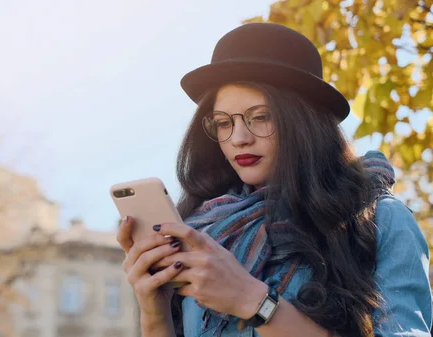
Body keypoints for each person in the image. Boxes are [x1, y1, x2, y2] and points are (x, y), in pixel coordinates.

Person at [116, 23, 432, 337]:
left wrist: (254, 302)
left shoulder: (379, 221)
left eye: (261, 117)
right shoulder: (201, 231)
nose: (238, 138)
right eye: (223, 122)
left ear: (305, 121)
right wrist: (155, 313)